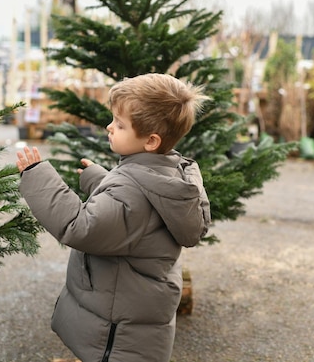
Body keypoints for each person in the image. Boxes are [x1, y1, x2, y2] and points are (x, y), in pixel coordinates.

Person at [16, 73, 212, 362]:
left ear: (150, 141)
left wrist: (37, 177)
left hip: (118, 336)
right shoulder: (169, 174)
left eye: (120, 125)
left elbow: (80, 227)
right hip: (136, 322)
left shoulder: (131, 190)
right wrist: (102, 181)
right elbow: (136, 209)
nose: (110, 127)